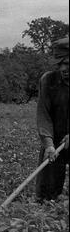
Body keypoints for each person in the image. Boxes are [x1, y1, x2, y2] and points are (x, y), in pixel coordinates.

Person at [36, 37, 69, 202]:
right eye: (60, 64)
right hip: (55, 139)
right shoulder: (48, 80)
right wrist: (48, 144)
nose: (64, 68)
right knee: (46, 193)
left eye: (68, 63)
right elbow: (44, 115)